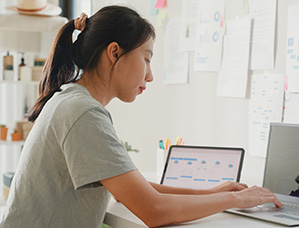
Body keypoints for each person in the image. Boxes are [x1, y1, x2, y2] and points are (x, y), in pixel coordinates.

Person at [0, 6, 282, 228]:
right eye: (146, 59)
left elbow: (129, 189)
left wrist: (212, 193)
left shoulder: (70, 99)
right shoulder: (83, 112)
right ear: (114, 52)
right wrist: (235, 198)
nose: (150, 75)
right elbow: (153, 211)